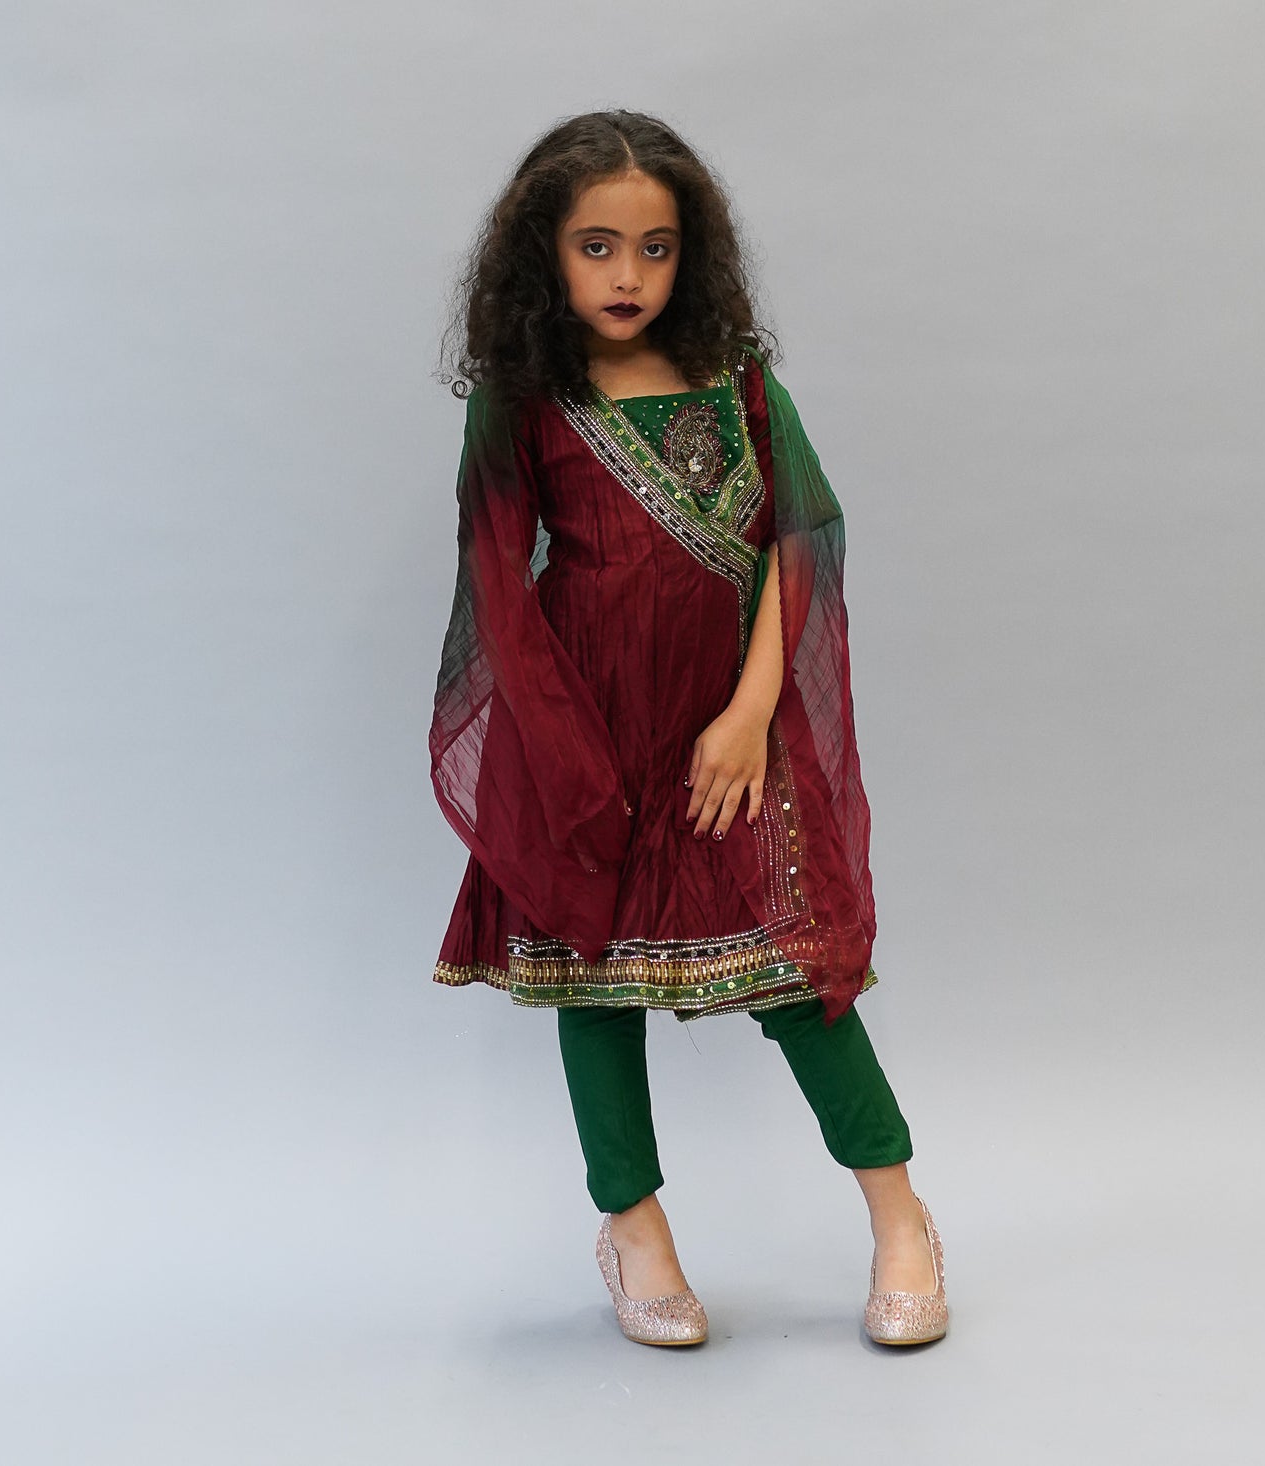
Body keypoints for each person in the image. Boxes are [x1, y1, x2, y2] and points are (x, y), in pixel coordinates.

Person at [427, 109, 947, 1348]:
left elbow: (794, 542)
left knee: (801, 977)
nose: (627, 275)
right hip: (581, 730)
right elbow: (498, 585)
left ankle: (901, 1218)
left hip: (730, 740)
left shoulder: (739, 383)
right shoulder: (521, 400)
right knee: (593, 980)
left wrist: (751, 712)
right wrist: (566, 757)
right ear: (543, 253)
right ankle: (634, 1226)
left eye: (654, 248)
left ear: (690, 255)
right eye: (596, 246)